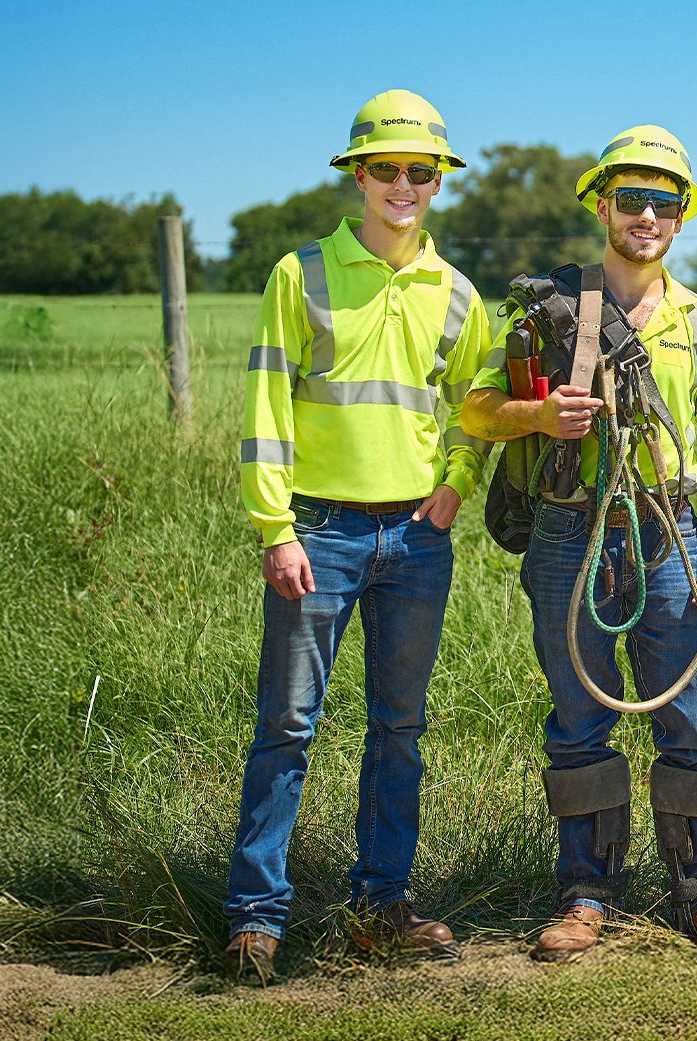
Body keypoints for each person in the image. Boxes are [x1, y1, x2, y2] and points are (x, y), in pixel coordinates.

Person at [461, 126, 697, 961]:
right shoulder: (549, 308)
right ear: (601, 205)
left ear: (682, 216)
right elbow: (476, 412)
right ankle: (585, 894)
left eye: (664, 203)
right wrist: (535, 415)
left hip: (668, 529)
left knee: (694, 721)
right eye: (631, 199)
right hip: (569, 532)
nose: (647, 215)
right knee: (577, 724)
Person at [225, 89, 492, 982]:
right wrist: (277, 527)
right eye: (387, 170)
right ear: (358, 175)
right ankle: (256, 915)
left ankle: (381, 905)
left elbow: (474, 410)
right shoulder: (300, 274)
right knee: (288, 726)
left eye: (422, 172)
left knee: (400, 729)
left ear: (439, 182)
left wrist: (457, 484)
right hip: (320, 533)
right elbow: (266, 407)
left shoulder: (458, 294)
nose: (404, 186)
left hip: (417, 540)